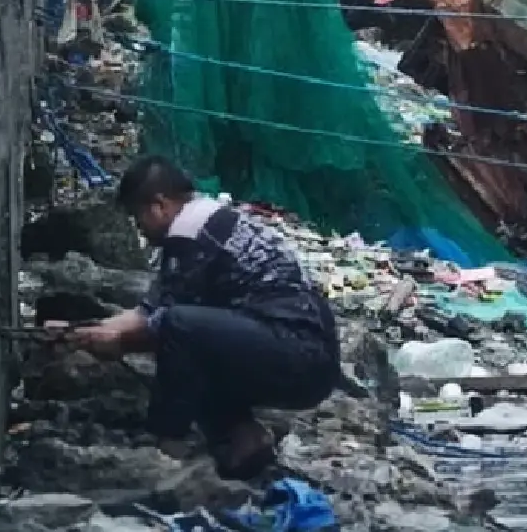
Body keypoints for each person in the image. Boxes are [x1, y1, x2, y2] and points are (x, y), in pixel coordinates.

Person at [68, 158, 341, 479]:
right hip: (305, 354)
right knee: (194, 338)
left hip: (297, 351)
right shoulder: (205, 222)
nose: (138, 228)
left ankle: (166, 445)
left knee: (181, 331)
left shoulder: (190, 235)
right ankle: (246, 441)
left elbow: (166, 324)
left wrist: (118, 344)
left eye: (136, 216)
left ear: (159, 206)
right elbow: (150, 309)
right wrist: (87, 332)